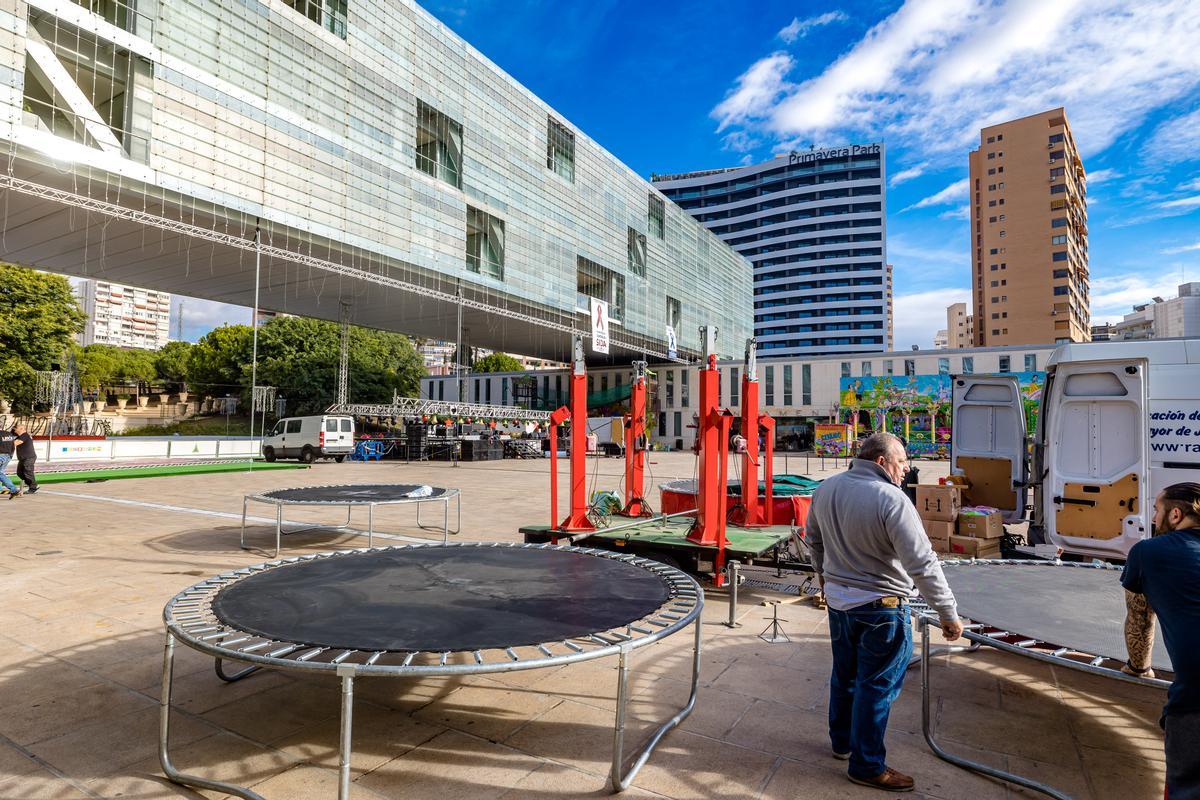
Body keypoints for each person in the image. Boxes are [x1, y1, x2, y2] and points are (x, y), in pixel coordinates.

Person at [808, 432, 962, 792]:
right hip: (882, 610)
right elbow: (922, 563)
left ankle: (842, 742)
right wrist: (948, 612)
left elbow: (814, 540)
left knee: (844, 676)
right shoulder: (892, 500)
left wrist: (825, 580)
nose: (906, 469)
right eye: (902, 461)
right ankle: (866, 765)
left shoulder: (826, 489)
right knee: (875, 687)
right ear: (881, 462)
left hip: (840, 605)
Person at [1121, 483, 1200, 799]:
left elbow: (1140, 618)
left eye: (1156, 510)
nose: (1153, 518)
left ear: (1175, 514)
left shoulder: (1148, 552)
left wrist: (1139, 667)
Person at [12, 422, 36, 495]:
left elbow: (16, 443)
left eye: (16, 428)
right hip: (23, 458)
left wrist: (5, 443)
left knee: (28, 472)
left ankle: (33, 487)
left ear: (21, 429)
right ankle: (32, 485)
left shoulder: (24, 435)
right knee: (19, 473)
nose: (14, 430)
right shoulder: (20, 436)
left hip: (28, 458)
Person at [0, 426, 18, 498]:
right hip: (8, 455)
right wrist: (10, 456)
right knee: (0, 473)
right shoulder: (9, 434)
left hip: (1, 455)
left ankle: (13, 489)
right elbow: (13, 446)